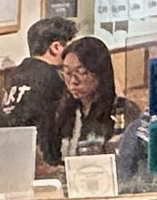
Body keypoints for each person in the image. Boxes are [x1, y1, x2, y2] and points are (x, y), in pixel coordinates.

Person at [0, 16, 75, 169]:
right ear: (56, 47)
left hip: (1, 162)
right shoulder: (55, 79)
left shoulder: (10, 78)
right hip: (43, 165)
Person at [52, 36, 142, 169]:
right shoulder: (64, 112)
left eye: (81, 72)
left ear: (99, 72)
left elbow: (128, 162)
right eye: (67, 72)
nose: (73, 81)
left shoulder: (122, 109)